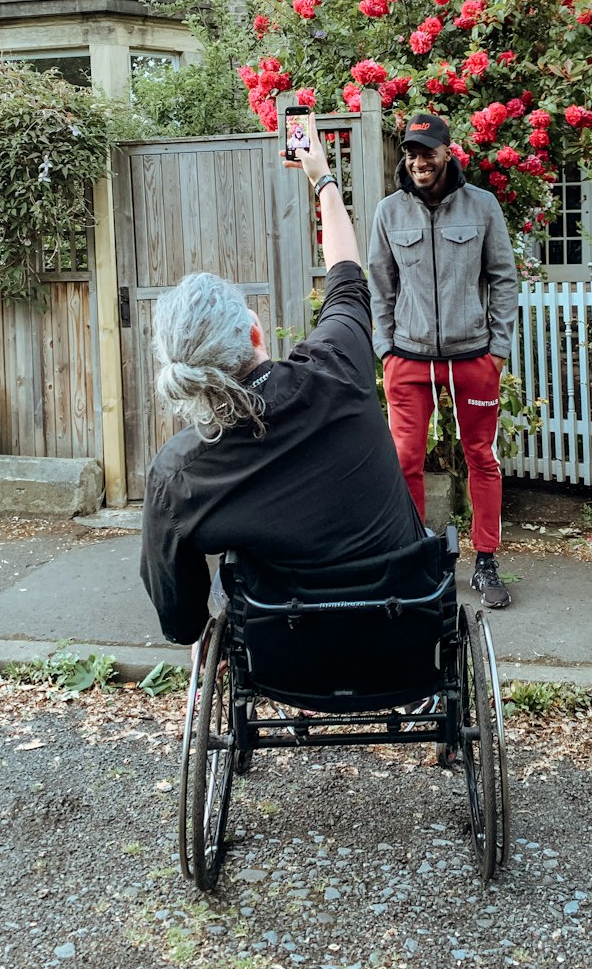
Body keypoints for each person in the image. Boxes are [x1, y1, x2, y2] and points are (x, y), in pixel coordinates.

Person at [140, 113, 425, 646]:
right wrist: (322, 177)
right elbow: (346, 274)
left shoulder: (179, 474)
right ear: (254, 334)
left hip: (285, 654)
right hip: (401, 633)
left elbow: (181, 624)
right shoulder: (338, 366)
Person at [368, 112, 519, 609]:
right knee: (405, 461)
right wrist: (386, 349)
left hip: (472, 356)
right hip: (408, 361)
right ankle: (416, 560)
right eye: (411, 152)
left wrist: (498, 350)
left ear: (447, 153)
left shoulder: (483, 207)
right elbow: (381, 286)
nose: (418, 161)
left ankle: (487, 561)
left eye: (427, 152)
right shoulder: (389, 213)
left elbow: (503, 278)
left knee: (482, 458)